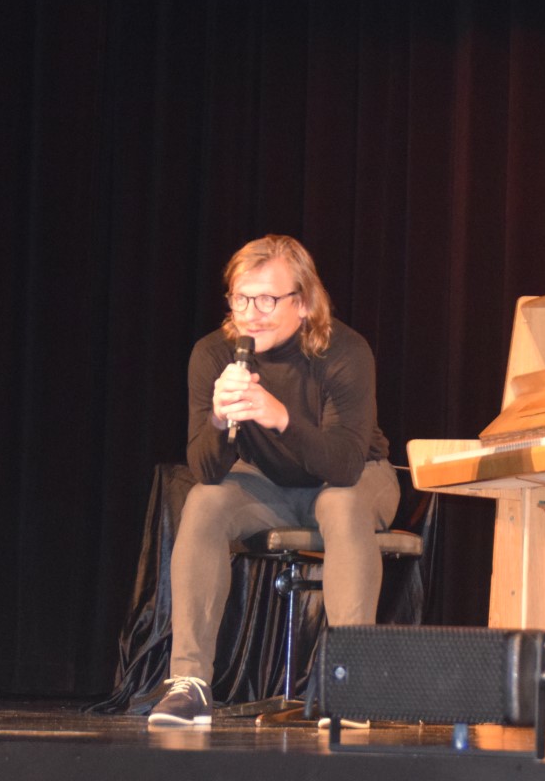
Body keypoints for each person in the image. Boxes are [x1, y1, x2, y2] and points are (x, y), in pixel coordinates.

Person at [148, 235, 399, 726]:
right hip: (270, 484)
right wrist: (218, 420)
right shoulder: (214, 354)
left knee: (343, 505)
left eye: (267, 299)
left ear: (303, 303)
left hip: (355, 477)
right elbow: (206, 470)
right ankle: (189, 682)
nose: (251, 314)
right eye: (241, 299)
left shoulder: (344, 350)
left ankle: (352, 685)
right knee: (203, 501)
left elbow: (344, 465)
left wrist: (280, 416)